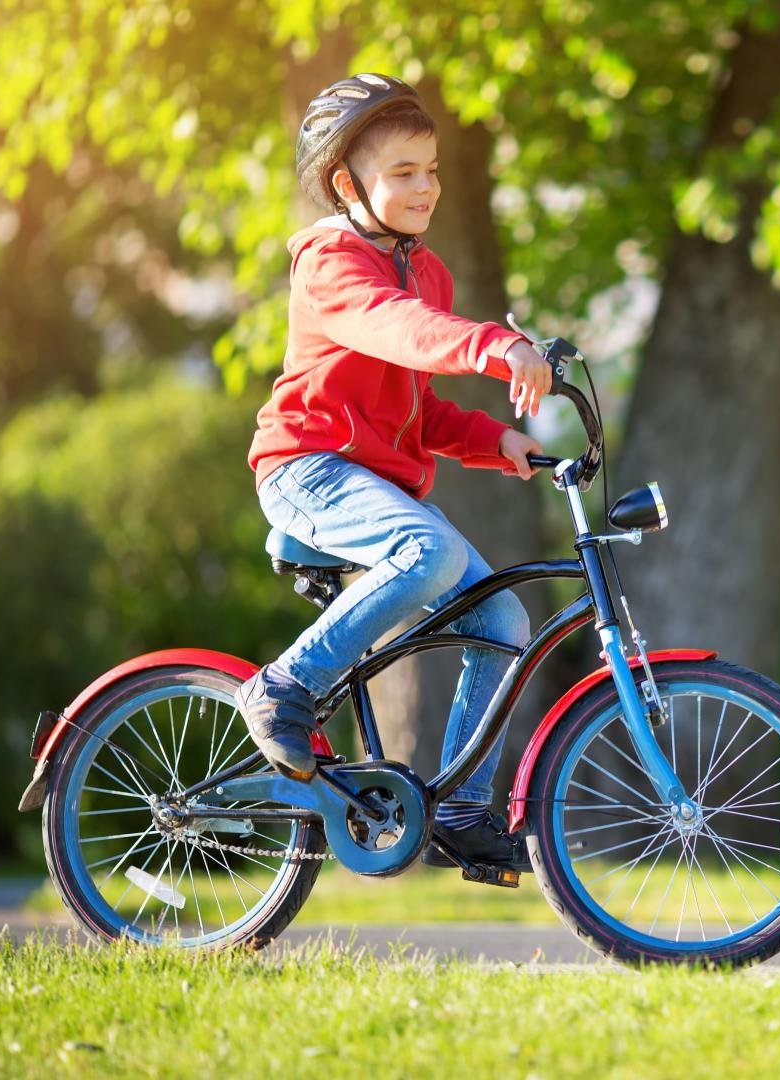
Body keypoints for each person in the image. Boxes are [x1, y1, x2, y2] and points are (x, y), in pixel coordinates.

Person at [236, 73, 551, 868]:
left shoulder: (429, 272)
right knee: (431, 552)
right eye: (402, 172)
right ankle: (281, 686)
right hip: (307, 469)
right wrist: (494, 345)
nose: (425, 187)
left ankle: (465, 810)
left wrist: (493, 440)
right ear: (347, 184)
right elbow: (397, 330)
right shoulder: (331, 263)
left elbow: (419, 409)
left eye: (433, 169)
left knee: (504, 622)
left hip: (371, 485)